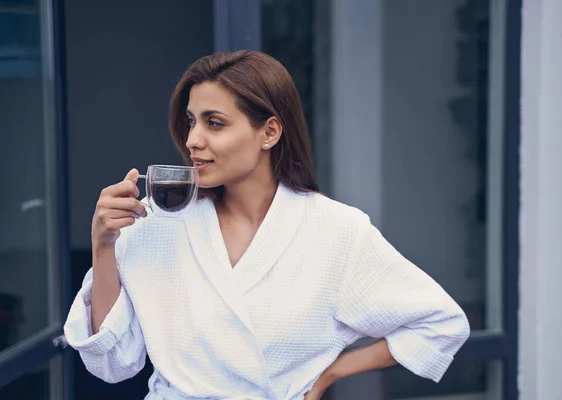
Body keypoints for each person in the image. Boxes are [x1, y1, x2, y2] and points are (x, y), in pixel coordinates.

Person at [63, 50, 470, 400]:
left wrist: (333, 372)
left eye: (214, 123)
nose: (193, 140)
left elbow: (439, 323)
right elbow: (112, 363)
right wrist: (103, 245)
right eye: (191, 121)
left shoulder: (334, 231)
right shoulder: (155, 221)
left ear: (270, 132)